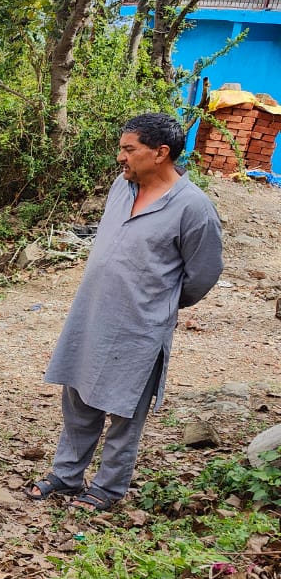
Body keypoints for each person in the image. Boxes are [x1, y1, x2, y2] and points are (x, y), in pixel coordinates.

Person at [27, 112, 223, 512]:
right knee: (79, 398)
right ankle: (66, 476)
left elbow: (204, 272)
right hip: (93, 313)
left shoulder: (193, 207)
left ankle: (107, 488)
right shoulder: (123, 186)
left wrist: (159, 301)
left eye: (128, 149)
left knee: (124, 410)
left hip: (140, 328)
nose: (120, 157)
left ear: (160, 153)